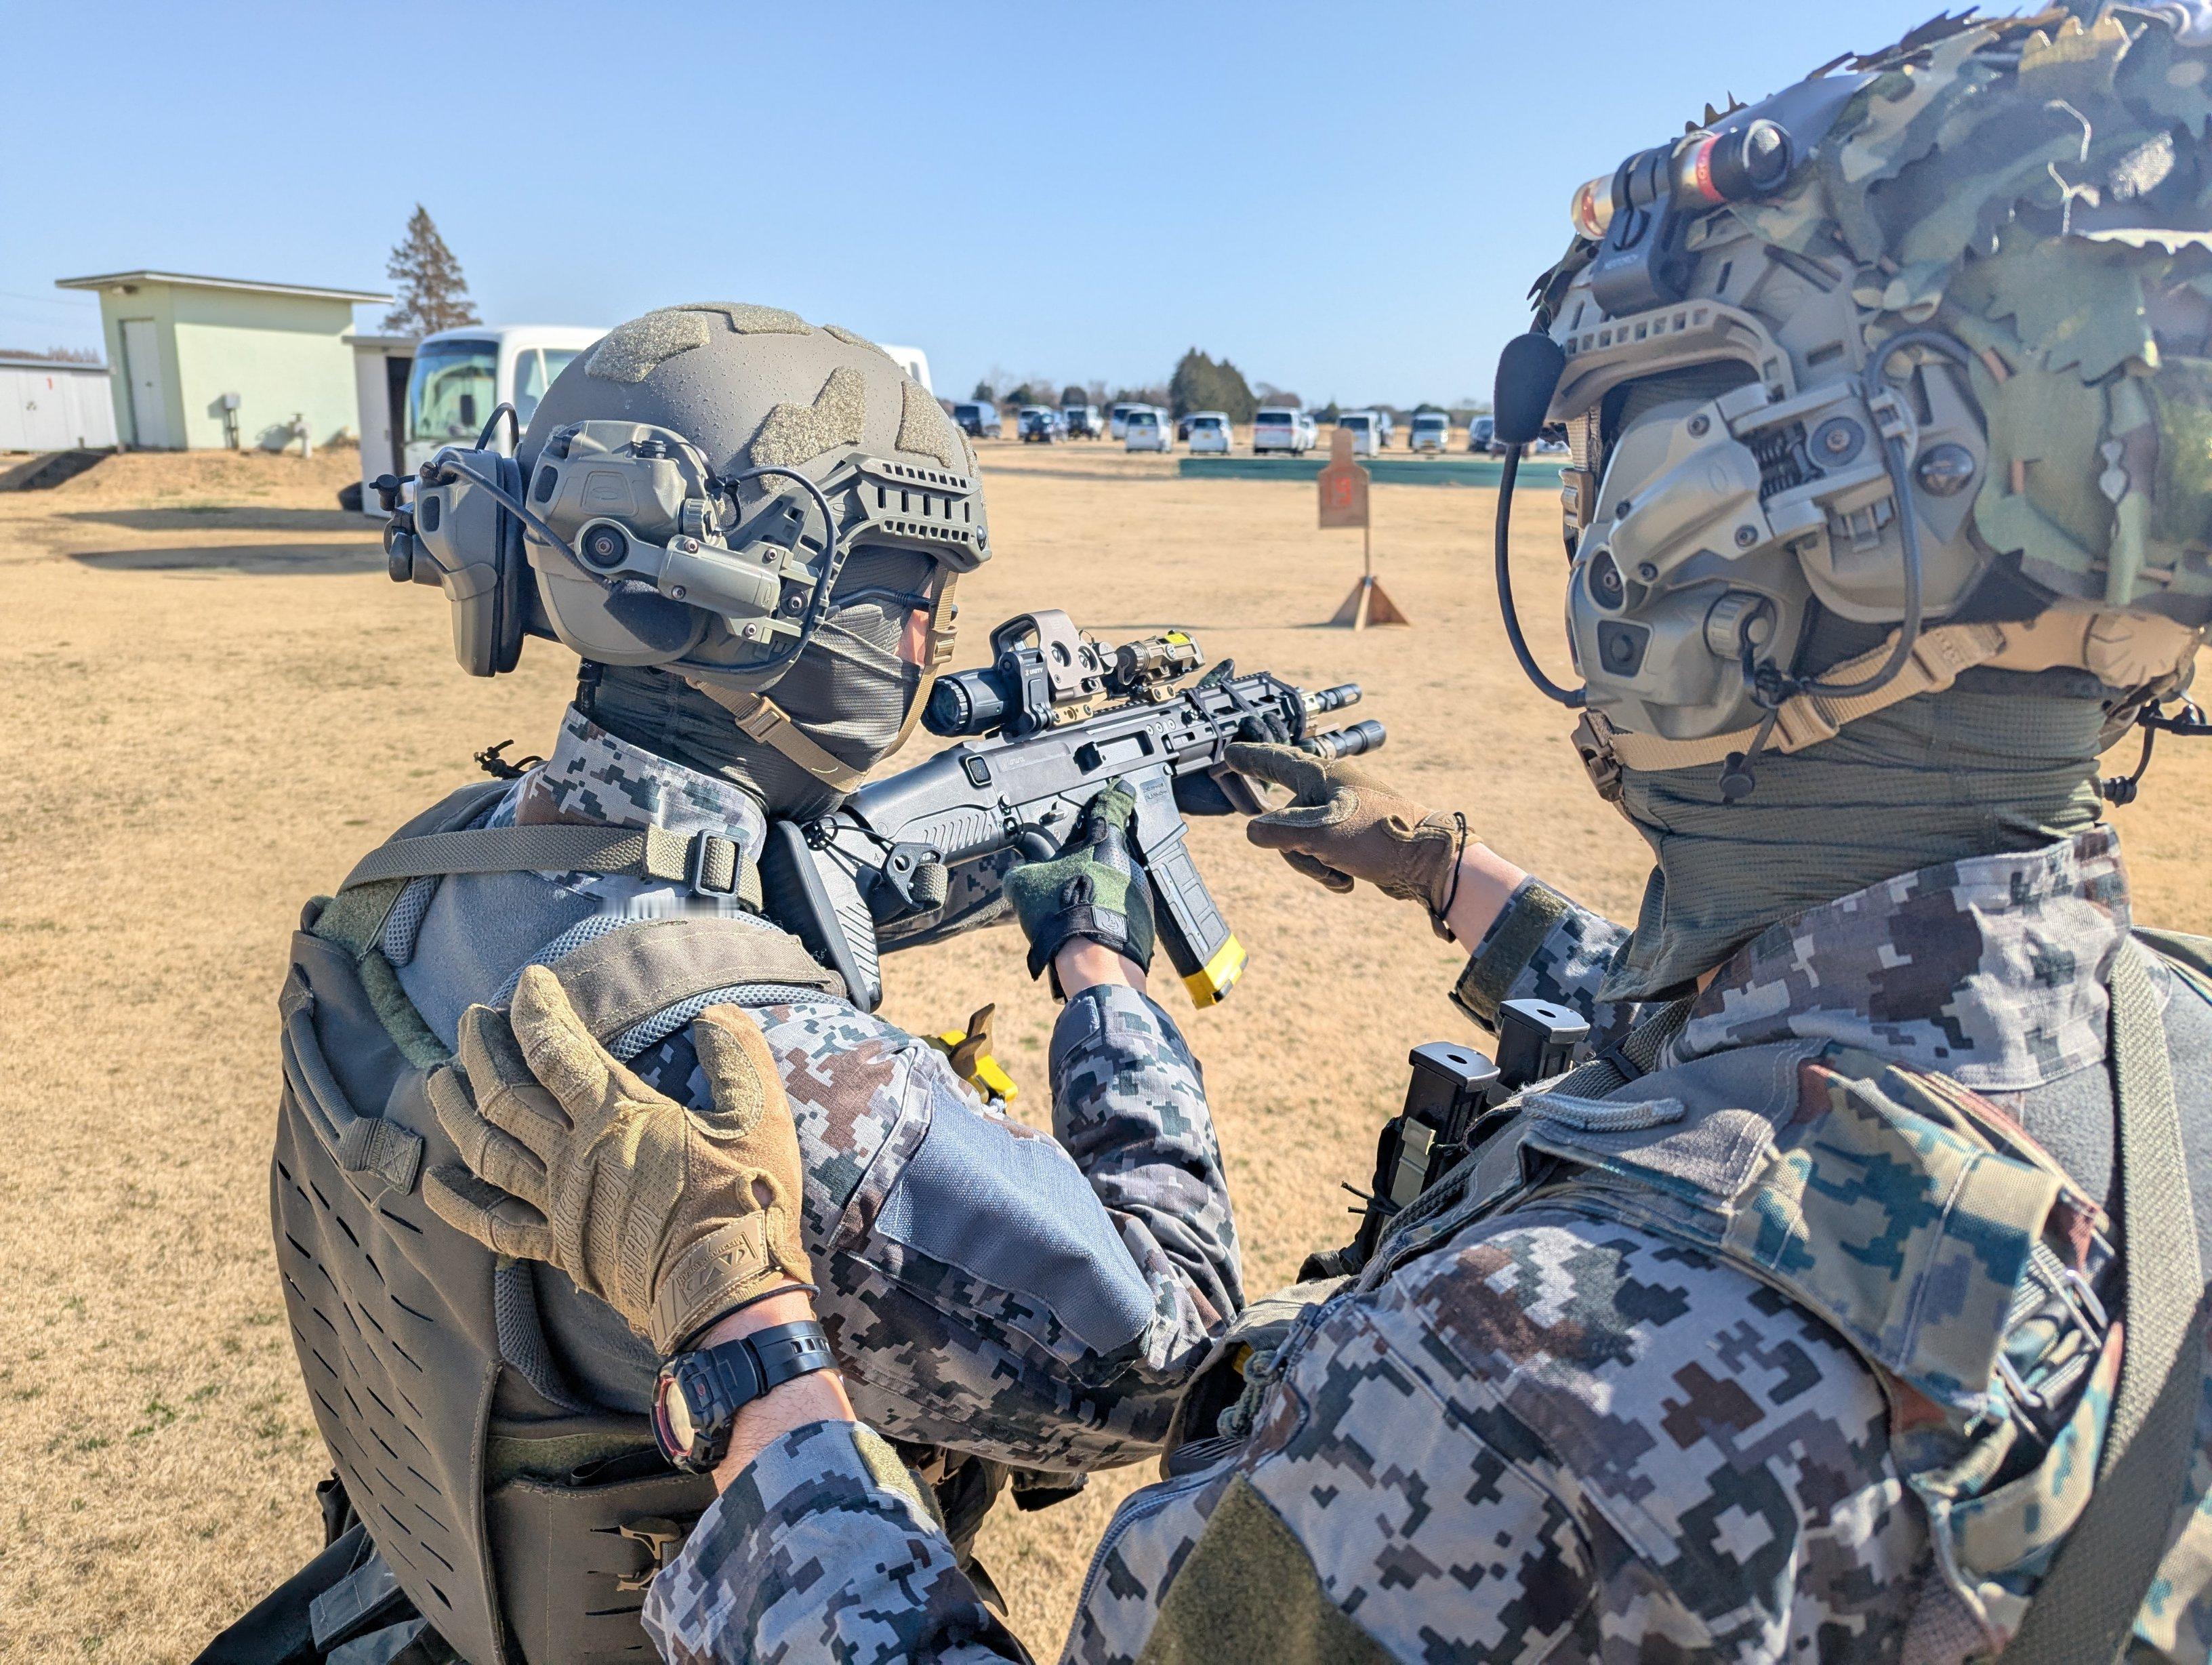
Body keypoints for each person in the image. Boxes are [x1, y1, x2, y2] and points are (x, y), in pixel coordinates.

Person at [426, 9, 2212, 1662]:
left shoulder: (1515, 1383)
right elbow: (1812, 1059)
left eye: (1611, 453)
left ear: (1734, 525)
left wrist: (750, 1350)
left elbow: (1166, 1326)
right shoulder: (2168, 1047)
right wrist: (1462, 886)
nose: (1589, 523)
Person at [232, 311, 1240, 1665]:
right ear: (770, 597)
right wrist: (1102, 972)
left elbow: (758, 896)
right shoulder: (783, 1083)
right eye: (907, 586)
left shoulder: (438, 860)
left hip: (443, 1592)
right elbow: (1164, 1350)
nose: (930, 636)